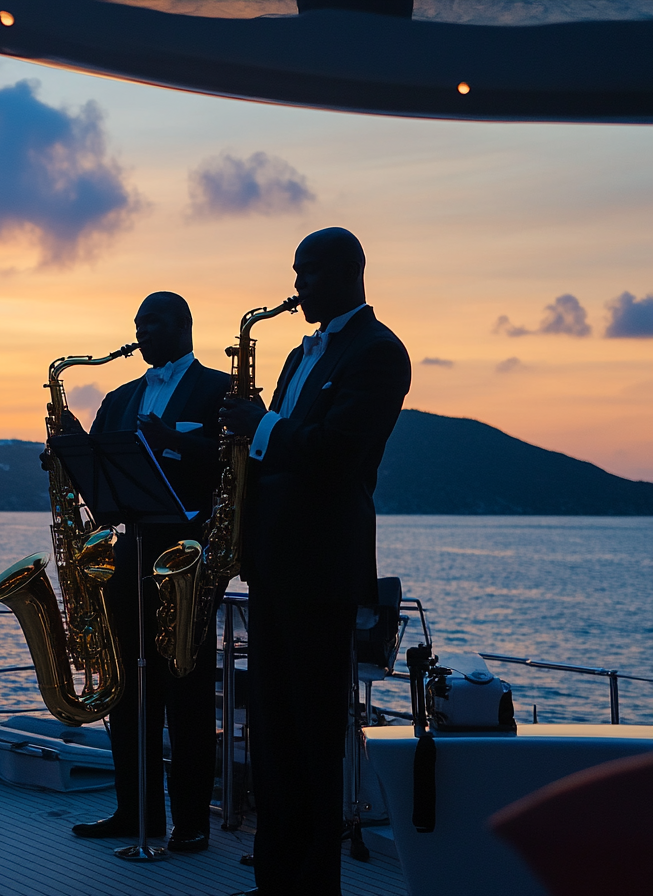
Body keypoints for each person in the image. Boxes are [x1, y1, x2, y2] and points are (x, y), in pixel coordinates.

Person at [220, 228, 411, 895]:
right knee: (271, 733)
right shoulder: (301, 354)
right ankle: (275, 877)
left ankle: (311, 884)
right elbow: (273, 452)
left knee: (312, 734)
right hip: (273, 562)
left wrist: (259, 426)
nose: (295, 286)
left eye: (306, 273)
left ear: (346, 272)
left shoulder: (380, 353)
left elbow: (336, 453)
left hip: (321, 567)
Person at [64, 291, 230, 853]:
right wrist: (69, 449)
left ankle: (190, 825)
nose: (142, 333)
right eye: (137, 324)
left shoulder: (220, 389)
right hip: (127, 560)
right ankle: (135, 812)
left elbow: (235, 461)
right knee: (126, 692)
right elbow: (101, 476)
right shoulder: (118, 396)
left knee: (185, 696)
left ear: (184, 324)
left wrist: (172, 440)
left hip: (186, 562)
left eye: (153, 322)